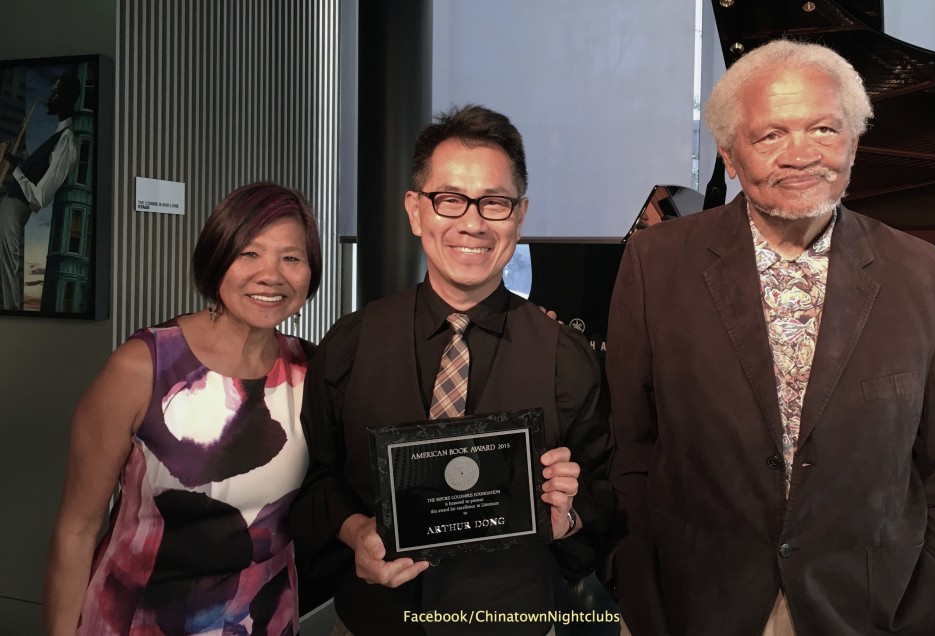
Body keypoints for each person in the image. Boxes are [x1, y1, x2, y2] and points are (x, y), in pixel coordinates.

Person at [606, 39, 935, 636]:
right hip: (695, 601)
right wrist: (634, 577)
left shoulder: (927, 275)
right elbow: (630, 444)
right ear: (730, 156)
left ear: (854, 144)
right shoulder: (655, 264)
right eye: (770, 135)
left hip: (871, 605)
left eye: (823, 129)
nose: (801, 155)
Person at [291, 104, 613, 636]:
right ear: (416, 211)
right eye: (449, 200)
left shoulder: (567, 358)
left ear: (520, 215)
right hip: (372, 622)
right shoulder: (351, 342)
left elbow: (606, 490)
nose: (472, 222)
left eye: (494, 203)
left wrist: (569, 517)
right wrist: (354, 532)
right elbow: (317, 478)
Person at [44, 182, 323, 635]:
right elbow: (76, 530)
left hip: (261, 621)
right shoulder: (143, 366)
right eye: (249, 253)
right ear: (216, 259)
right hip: (135, 617)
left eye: (291, 257)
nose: (271, 274)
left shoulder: (313, 371)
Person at [0, 72, 81, 310]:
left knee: (7, 273)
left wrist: (15, 169)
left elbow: (40, 197)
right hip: (9, 207)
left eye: (56, 91)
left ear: (66, 97)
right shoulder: (59, 136)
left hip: (14, 211)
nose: (51, 95)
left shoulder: (67, 141)